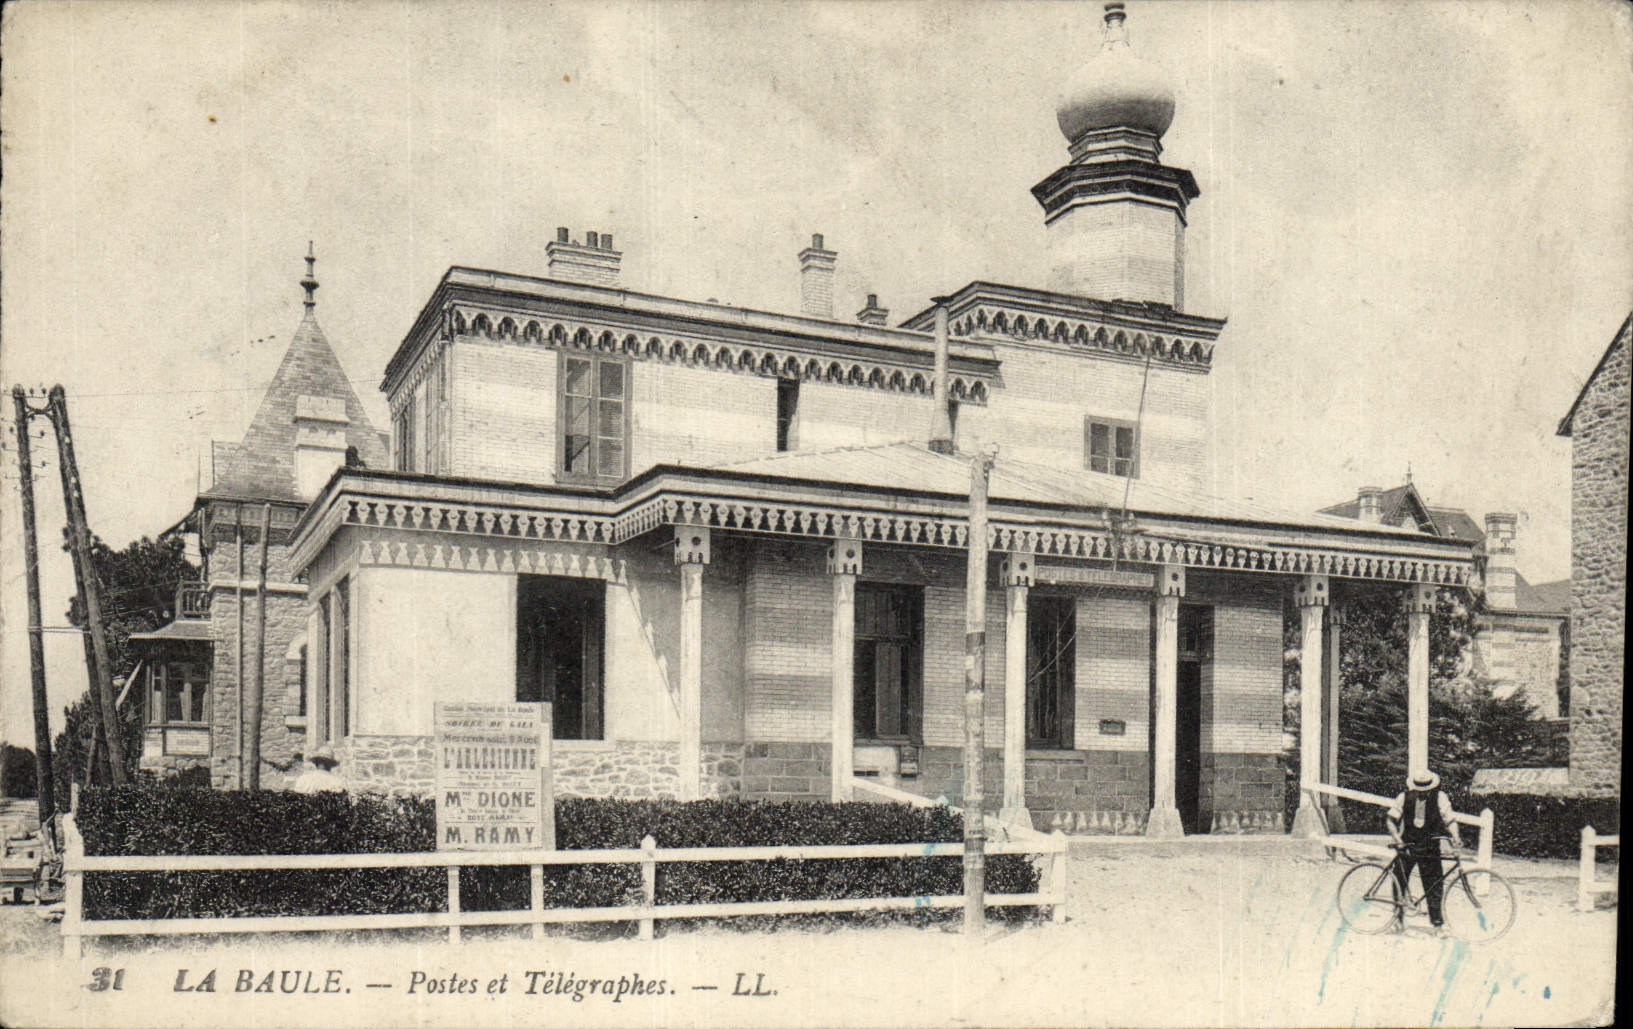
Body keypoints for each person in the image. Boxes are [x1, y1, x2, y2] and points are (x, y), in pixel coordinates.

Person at [1385, 768, 1461, 935]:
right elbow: (1390, 820)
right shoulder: (1404, 797)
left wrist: (1455, 836)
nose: (1422, 793)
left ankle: (1437, 924)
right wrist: (1398, 840)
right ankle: (1397, 920)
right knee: (1399, 881)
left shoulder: (1440, 797)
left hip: (1430, 847)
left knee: (1434, 885)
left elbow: (1450, 820)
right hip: (1408, 846)